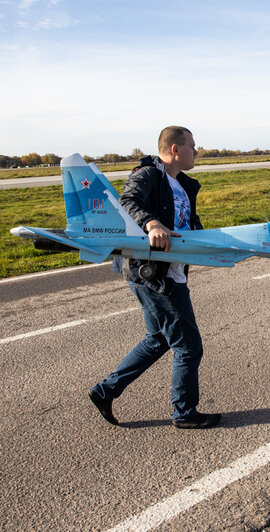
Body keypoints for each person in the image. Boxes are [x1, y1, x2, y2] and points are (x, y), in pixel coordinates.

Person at [88, 126, 221, 429]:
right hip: (154, 274)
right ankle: (185, 413)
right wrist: (151, 223)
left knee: (158, 339)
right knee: (189, 346)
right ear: (176, 149)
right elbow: (127, 203)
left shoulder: (183, 184)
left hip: (170, 270)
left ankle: (106, 391)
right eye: (192, 146)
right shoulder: (148, 174)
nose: (196, 153)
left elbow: (189, 225)